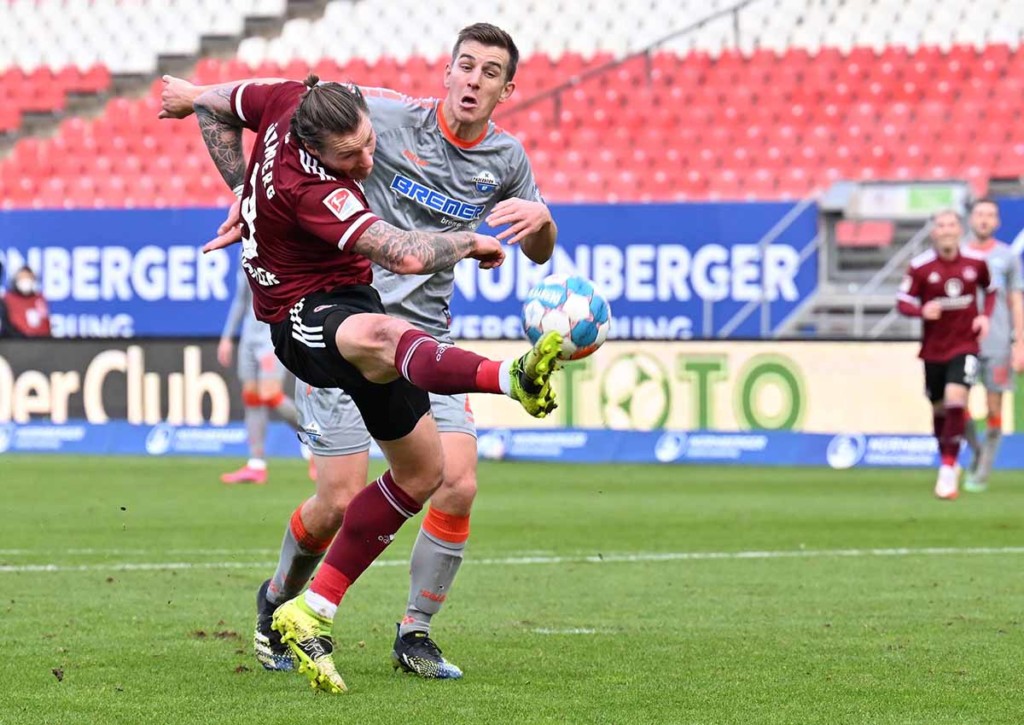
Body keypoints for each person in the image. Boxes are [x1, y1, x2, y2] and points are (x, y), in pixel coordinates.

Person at [159, 23, 556, 681]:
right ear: (447, 71)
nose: (474, 79)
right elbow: (395, 243)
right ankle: (278, 602)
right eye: (465, 65)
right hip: (339, 322)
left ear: (507, 89)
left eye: (490, 72)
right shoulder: (378, 118)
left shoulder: (507, 160)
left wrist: (543, 225)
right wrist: (241, 186)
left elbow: (537, 247)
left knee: (453, 479)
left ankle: (415, 633)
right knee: (336, 498)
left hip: (427, 335)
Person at [896, 210, 996, 500]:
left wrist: (985, 317)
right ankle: (947, 459)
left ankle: (948, 470)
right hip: (933, 350)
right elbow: (902, 301)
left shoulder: (976, 263)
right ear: (934, 232)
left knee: (956, 398)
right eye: (941, 225)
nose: (947, 230)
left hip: (965, 345)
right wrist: (921, 310)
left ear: (959, 230)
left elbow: (990, 290)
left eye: (952, 225)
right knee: (939, 409)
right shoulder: (920, 267)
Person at [218, 264, 304, 484]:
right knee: (252, 397)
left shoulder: (277, 246)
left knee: (271, 394)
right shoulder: (244, 251)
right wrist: (227, 336)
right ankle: (256, 464)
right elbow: (240, 299)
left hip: (272, 335)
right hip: (249, 336)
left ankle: (315, 441)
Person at [960, 198, 1024, 492]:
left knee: (994, 404)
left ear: (997, 222)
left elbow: (1016, 300)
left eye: (990, 215)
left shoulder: (1007, 257)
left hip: (997, 342)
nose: (984, 220)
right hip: (960, 342)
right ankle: (976, 451)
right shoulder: (956, 254)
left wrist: (1020, 343)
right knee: (955, 403)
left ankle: (983, 470)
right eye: (980, 214)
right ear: (971, 219)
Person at [2, 265, 51, 338]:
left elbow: (46, 324)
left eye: (28, 277)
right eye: (22, 278)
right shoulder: (7, 299)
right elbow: (6, 326)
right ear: (16, 280)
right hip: (18, 342)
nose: (26, 280)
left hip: (42, 342)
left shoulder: (39, 299)